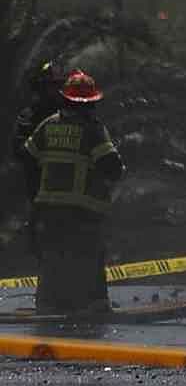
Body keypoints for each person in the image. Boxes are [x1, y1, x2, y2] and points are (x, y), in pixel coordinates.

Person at [23, 71, 123, 316]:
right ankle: (94, 304)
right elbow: (112, 167)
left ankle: (49, 304)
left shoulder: (48, 125)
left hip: (49, 207)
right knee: (90, 254)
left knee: (53, 256)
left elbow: (27, 157)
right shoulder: (93, 130)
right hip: (83, 209)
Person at [12, 62, 64, 201]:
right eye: (48, 85)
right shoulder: (28, 116)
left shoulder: (71, 114)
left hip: (70, 189)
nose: (53, 90)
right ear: (39, 88)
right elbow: (19, 150)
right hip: (39, 189)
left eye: (56, 85)